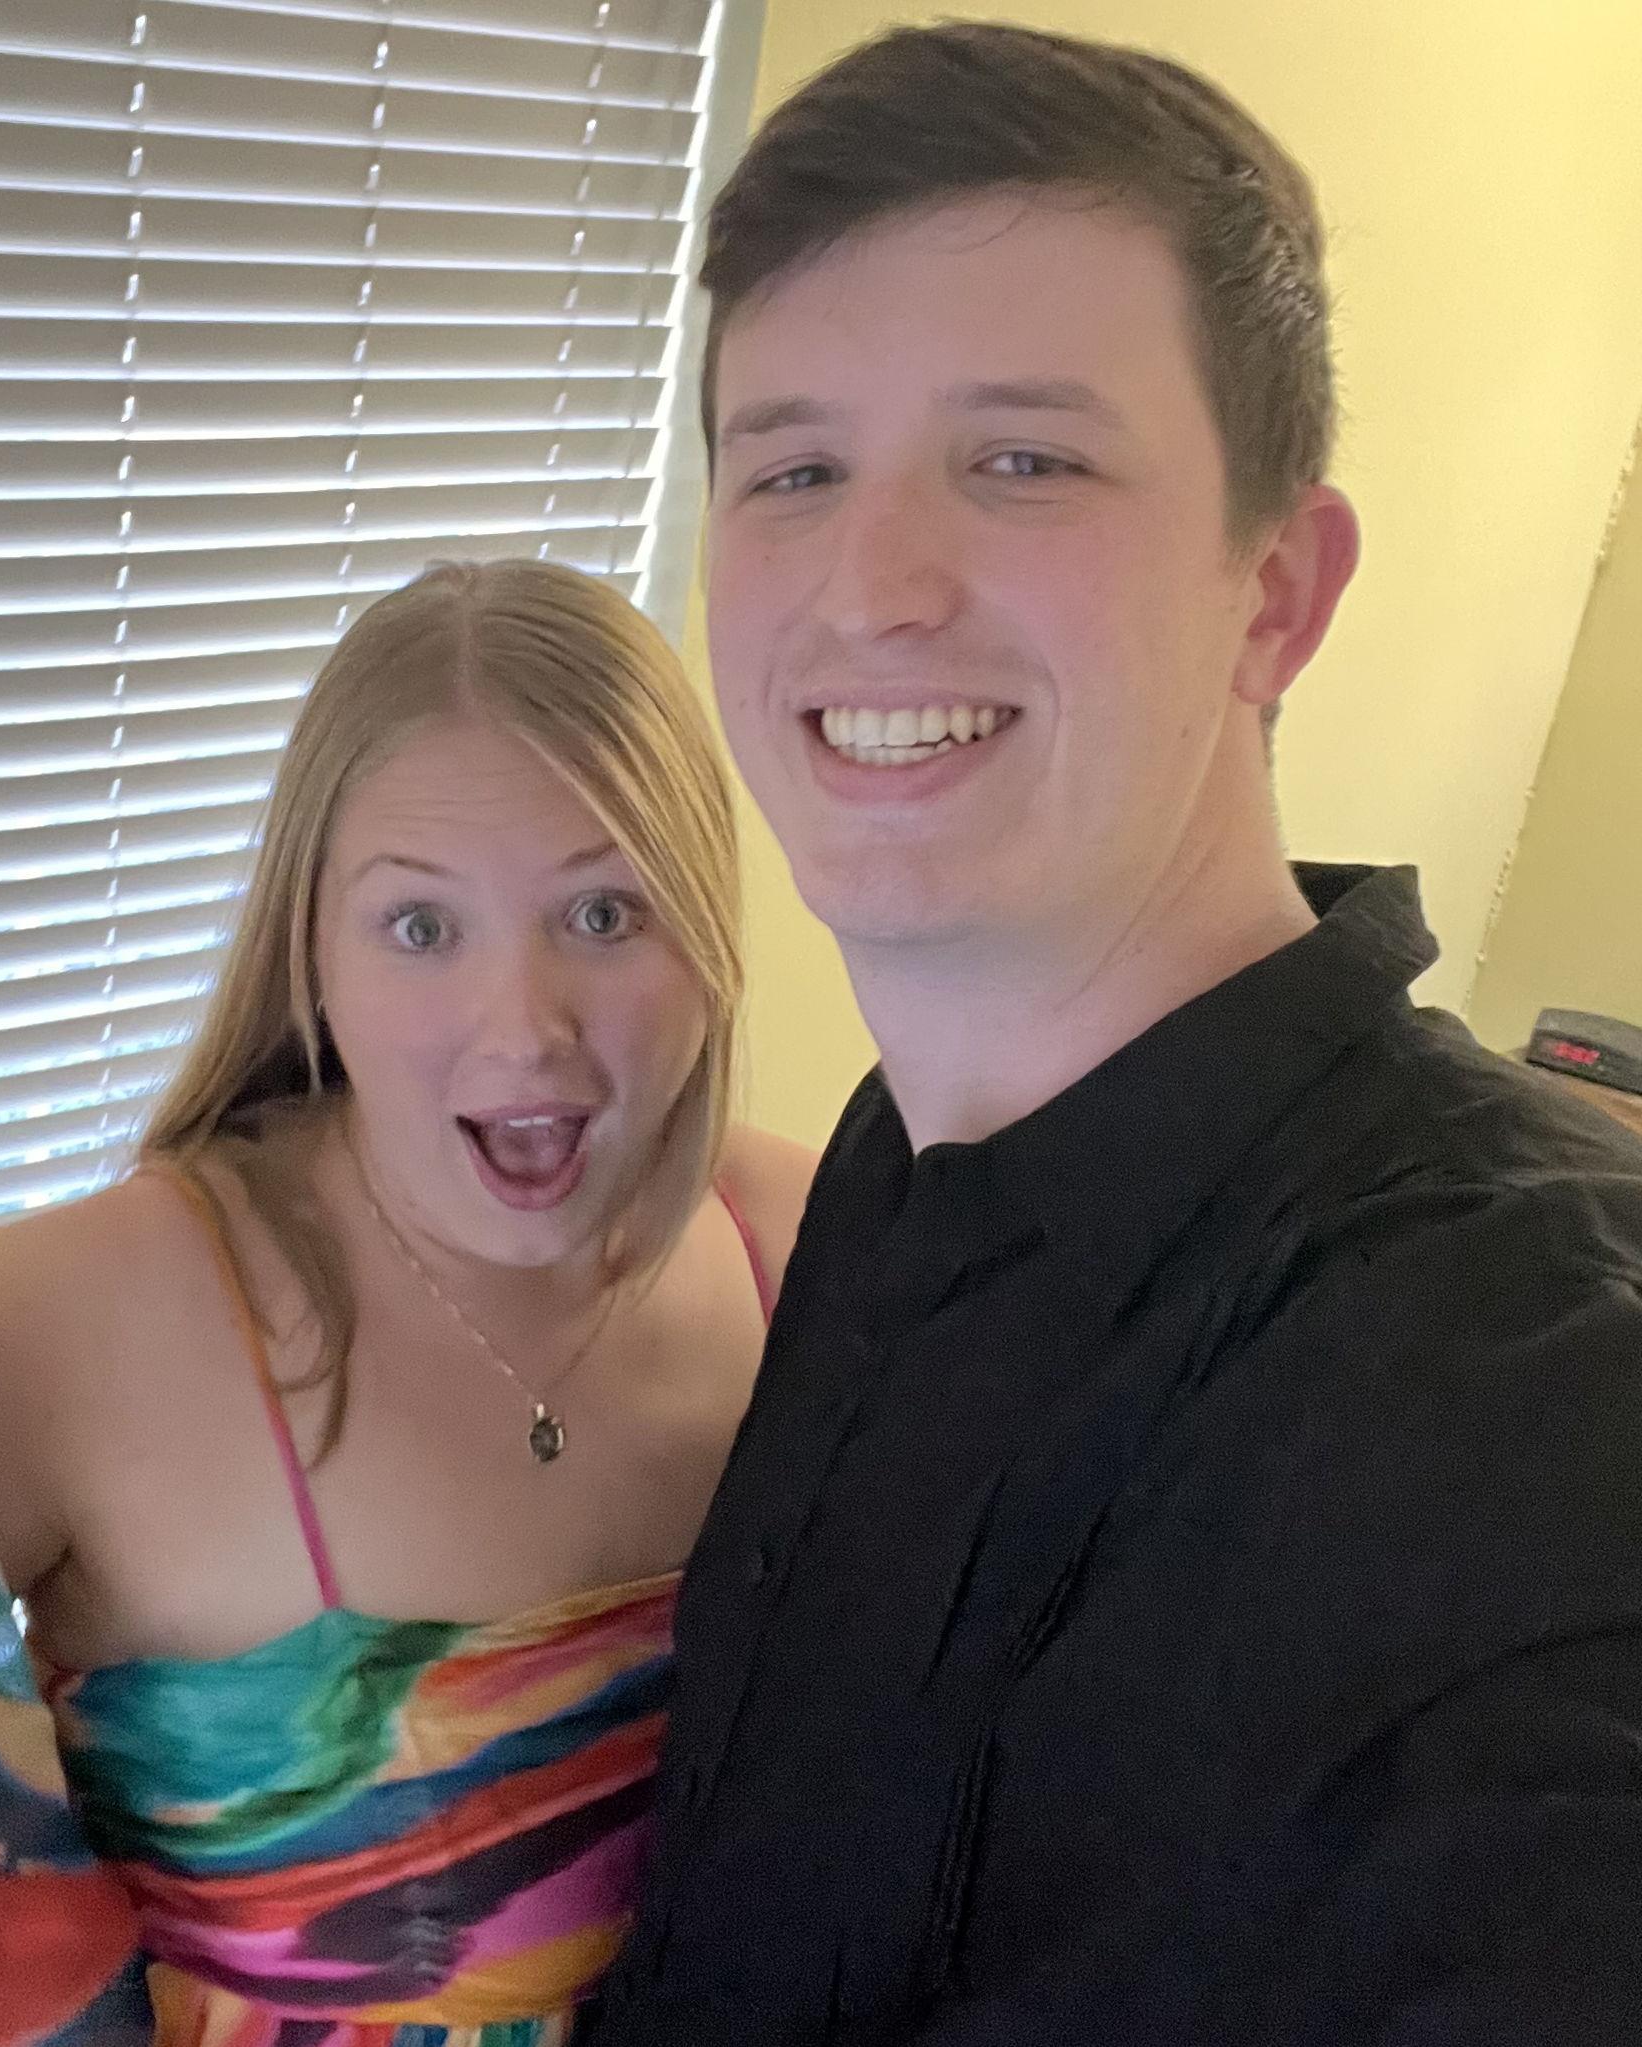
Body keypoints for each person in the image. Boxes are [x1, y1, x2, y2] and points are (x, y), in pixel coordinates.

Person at [586, 21, 1642, 2047]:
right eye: (792, 469)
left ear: (1277, 592)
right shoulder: (887, 1178)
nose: (872, 586)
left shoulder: (1532, 1396)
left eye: (1024, 460)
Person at [0, 558, 814, 2045]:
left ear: (710, 931)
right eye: (421, 927)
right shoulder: (91, 1322)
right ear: (312, 956)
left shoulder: (832, 1248)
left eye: (606, 912)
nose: (526, 1027)